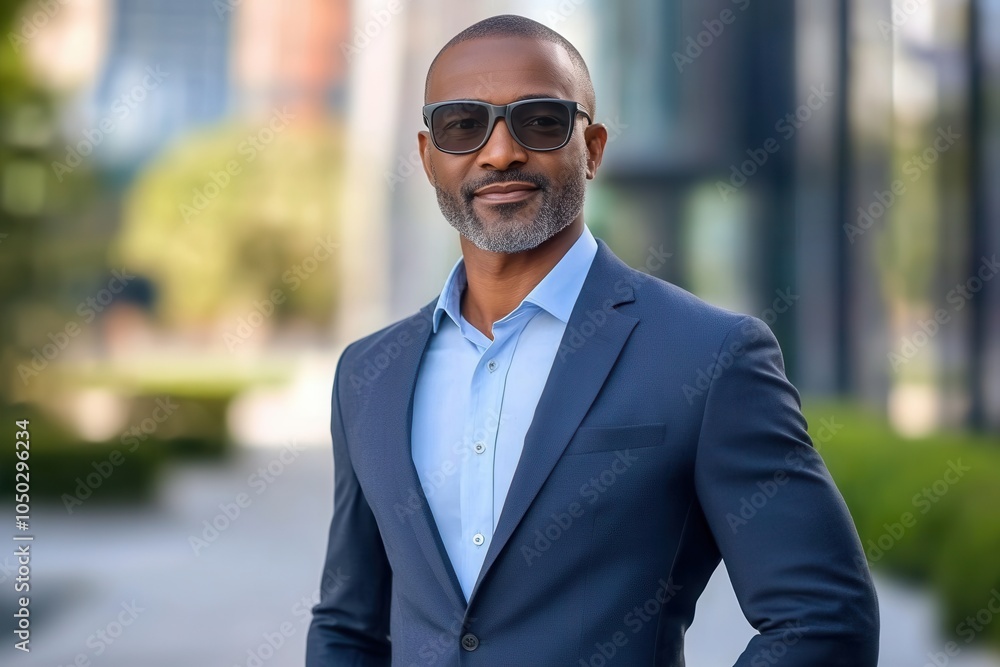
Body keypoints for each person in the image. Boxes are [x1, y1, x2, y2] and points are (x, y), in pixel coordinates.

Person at [306, 14, 879, 666]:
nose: (500, 153)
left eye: (541, 121)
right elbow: (347, 625)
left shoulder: (710, 357)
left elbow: (824, 617)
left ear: (594, 147)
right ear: (427, 155)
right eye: (464, 125)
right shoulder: (368, 372)